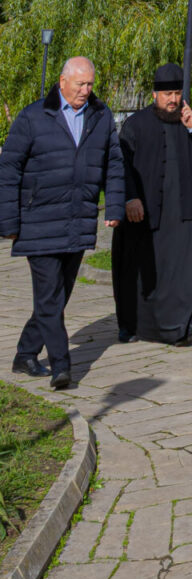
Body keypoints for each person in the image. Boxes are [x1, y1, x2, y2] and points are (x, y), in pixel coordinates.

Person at [0, 56, 125, 389]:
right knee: (49, 297)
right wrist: (8, 222)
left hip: (78, 220)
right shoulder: (33, 116)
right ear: (62, 81)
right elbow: (8, 169)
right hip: (37, 222)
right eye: (80, 84)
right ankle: (62, 366)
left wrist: (114, 206)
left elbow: (114, 164)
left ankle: (25, 354)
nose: (85, 90)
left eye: (90, 84)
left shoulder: (101, 115)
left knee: (58, 296)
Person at [111, 63, 192, 345]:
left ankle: (184, 325)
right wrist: (130, 197)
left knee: (181, 273)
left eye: (177, 93)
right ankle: (132, 325)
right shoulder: (135, 124)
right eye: (168, 94)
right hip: (144, 211)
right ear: (155, 94)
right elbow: (121, 165)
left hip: (180, 212)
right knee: (139, 271)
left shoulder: (187, 118)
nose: (173, 99)